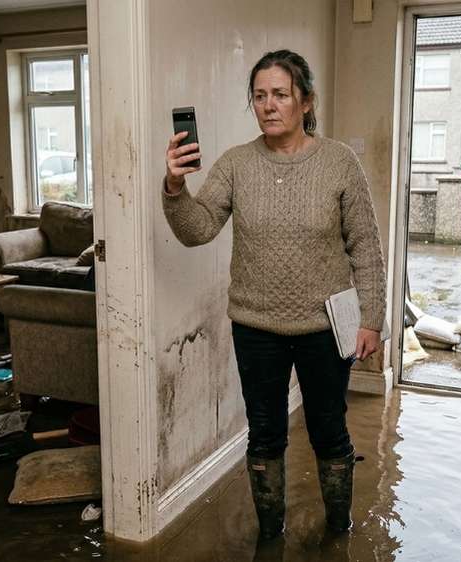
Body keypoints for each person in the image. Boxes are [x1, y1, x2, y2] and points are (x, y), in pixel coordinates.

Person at [161, 50, 386, 539]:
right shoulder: (236, 164)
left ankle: (337, 529)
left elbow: (365, 244)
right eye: (259, 96)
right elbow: (197, 230)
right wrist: (176, 187)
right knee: (265, 436)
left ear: (305, 101)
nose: (269, 105)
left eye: (280, 95)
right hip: (256, 327)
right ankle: (270, 535)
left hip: (327, 327)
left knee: (330, 430)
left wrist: (372, 319)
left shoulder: (338, 162)